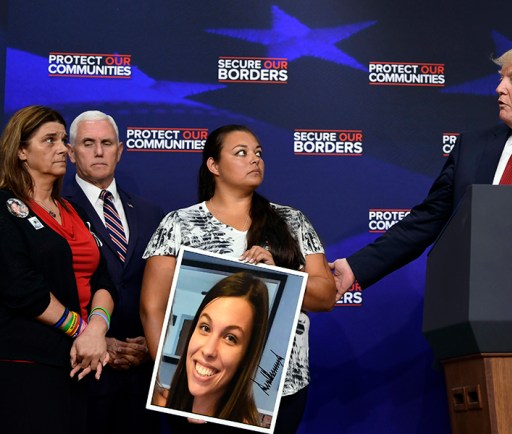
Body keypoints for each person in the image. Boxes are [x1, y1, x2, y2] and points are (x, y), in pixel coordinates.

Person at [330, 44, 512, 295]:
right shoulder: (472, 148)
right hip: (468, 302)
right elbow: (427, 220)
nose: (499, 88)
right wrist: (357, 266)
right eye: (501, 78)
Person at [141, 124, 336, 433]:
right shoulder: (179, 224)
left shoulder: (292, 221)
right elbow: (153, 307)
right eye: (241, 153)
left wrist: (280, 273)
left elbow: (326, 296)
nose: (254, 160)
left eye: (258, 153)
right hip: (201, 393)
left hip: (279, 391)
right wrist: (170, 384)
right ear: (214, 165)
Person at [0, 105, 117, 433]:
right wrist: (83, 332)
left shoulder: (75, 210)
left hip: (81, 362)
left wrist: (96, 330)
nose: (62, 148)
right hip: (27, 364)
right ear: (22, 151)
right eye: (49, 140)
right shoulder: (5, 208)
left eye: (64, 140)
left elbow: (103, 278)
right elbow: (23, 290)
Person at [63, 110, 165, 434]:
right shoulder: (57, 209)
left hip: (141, 373)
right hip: (82, 369)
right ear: (70, 152)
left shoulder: (150, 213)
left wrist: (152, 344)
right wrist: (95, 338)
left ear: (120, 150)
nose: (98, 151)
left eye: (106, 143)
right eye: (88, 143)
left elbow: (165, 289)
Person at [154, 272, 270, 427]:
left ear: (246, 356)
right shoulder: (165, 404)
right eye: (205, 327)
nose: (209, 350)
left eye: (230, 338)